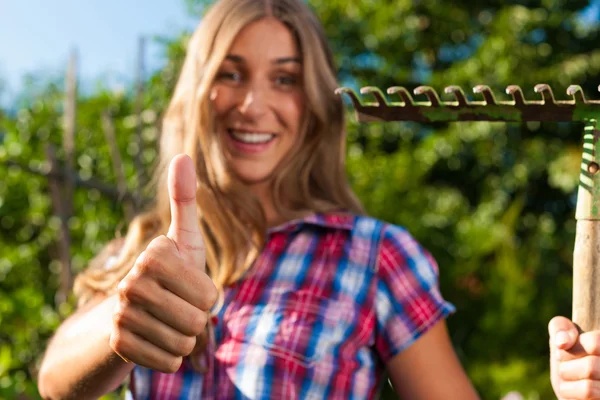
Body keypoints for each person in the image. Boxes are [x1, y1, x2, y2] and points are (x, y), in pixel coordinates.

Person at [36, 0, 600, 399]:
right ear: (198, 90)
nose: (253, 104)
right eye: (231, 73)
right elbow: (55, 379)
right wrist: (122, 316)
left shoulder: (376, 255)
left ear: (312, 104)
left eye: (284, 79)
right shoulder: (147, 248)